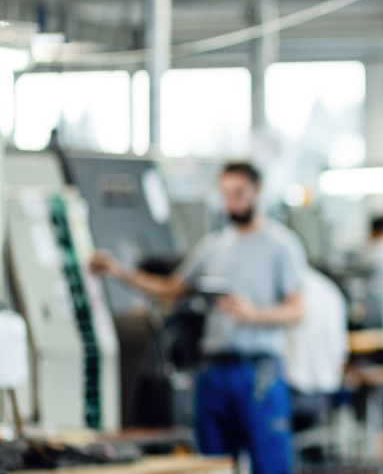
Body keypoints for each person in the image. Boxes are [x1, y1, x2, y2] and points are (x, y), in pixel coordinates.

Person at [91, 162, 307, 474]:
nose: (231, 202)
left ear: (256, 192)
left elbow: (298, 310)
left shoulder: (281, 246)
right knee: (211, 464)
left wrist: (256, 314)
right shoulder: (214, 248)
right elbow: (170, 289)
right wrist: (118, 271)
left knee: (269, 464)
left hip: (259, 372)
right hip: (214, 371)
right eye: (226, 194)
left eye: (238, 193)